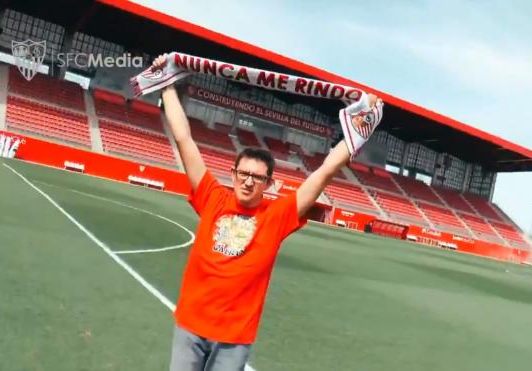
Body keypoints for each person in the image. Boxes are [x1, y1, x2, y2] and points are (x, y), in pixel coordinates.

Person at [153, 55, 381, 371]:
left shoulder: (277, 216)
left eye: (257, 177)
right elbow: (183, 138)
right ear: (232, 174)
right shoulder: (212, 197)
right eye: (243, 173)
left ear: (268, 183)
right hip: (190, 325)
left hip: (234, 338)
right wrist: (166, 83)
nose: (248, 181)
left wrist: (360, 131)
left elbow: (325, 171)